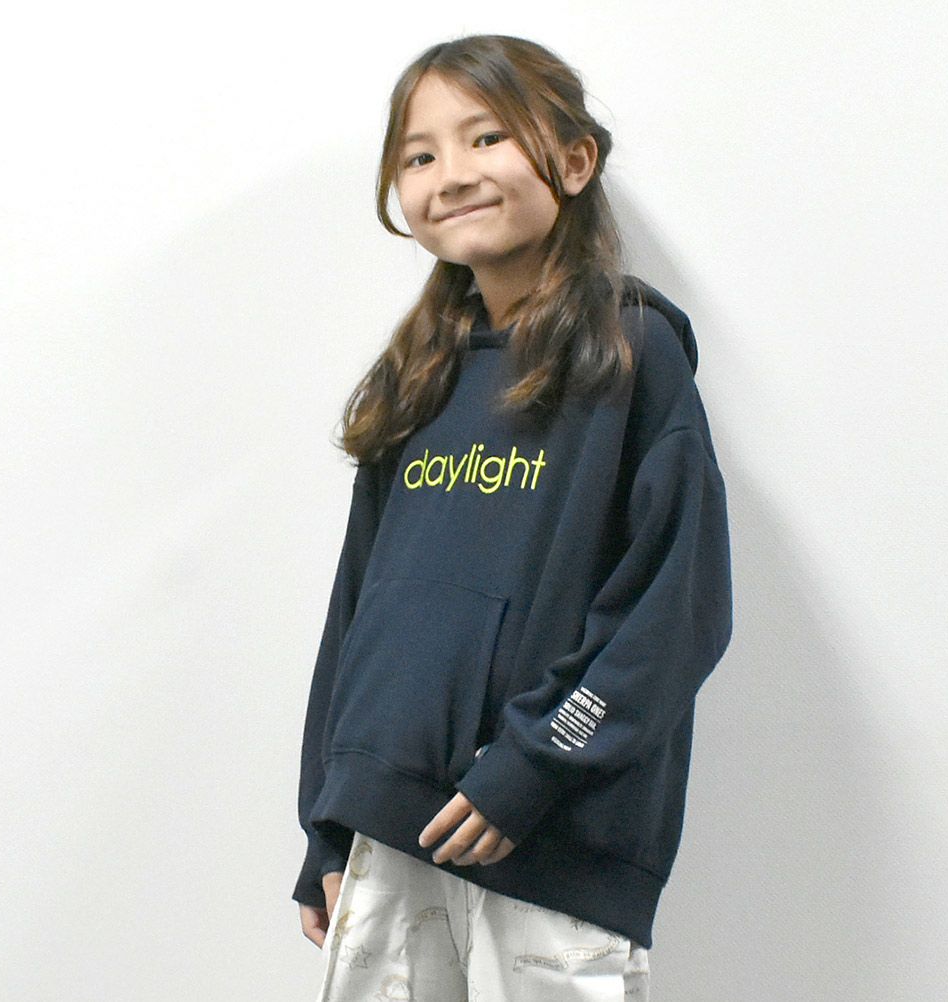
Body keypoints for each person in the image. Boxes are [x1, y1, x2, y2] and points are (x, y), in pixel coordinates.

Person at [291, 33, 733, 1002]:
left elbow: (678, 606)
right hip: (388, 833)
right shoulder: (416, 380)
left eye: (485, 138)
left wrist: (534, 764)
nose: (450, 174)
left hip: (548, 842)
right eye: (419, 155)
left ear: (573, 161)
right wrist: (327, 814)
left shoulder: (630, 354)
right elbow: (357, 611)